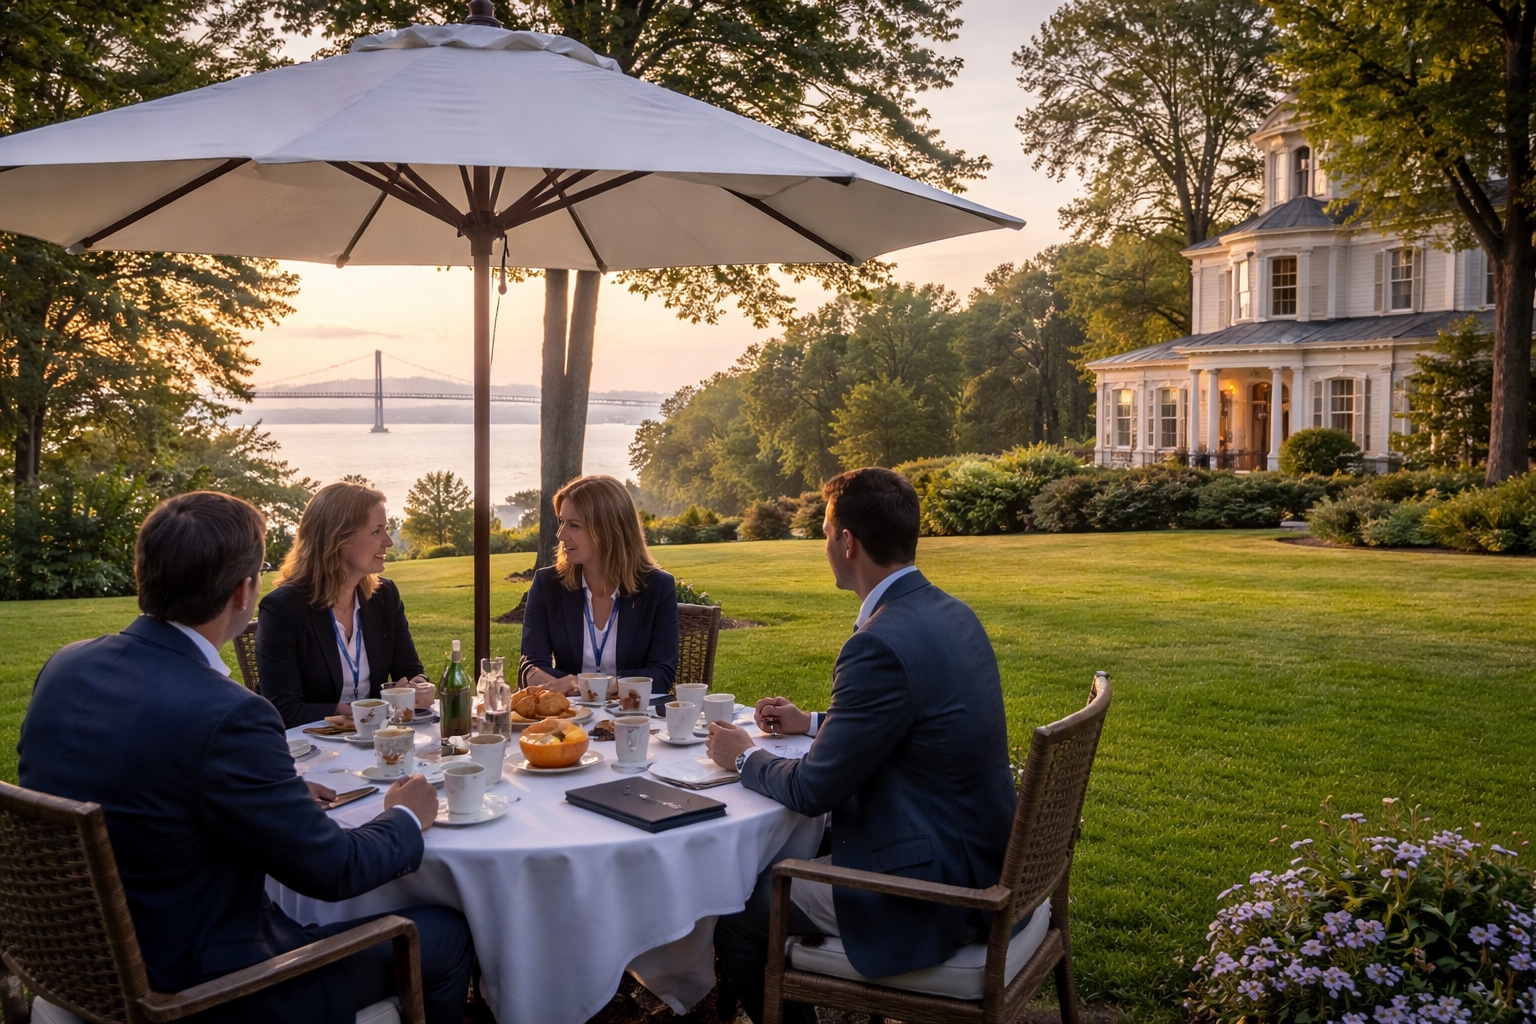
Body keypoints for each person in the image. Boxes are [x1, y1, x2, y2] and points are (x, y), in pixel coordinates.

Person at [17, 491, 474, 1024]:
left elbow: (150, 779)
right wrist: (406, 817)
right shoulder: (229, 714)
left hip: (81, 967)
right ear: (243, 591)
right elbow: (335, 870)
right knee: (445, 935)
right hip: (203, 990)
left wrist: (271, 792)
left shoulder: (65, 666)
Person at [705, 468, 1017, 1024]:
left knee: (736, 909)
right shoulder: (951, 612)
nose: (825, 546)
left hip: (937, 891)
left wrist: (744, 756)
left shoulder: (878, 642)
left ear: (847, 541)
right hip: (980, 854)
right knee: (777, 860)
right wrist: (813, 722)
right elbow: (917, 720)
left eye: (826, 533)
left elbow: (813, 789)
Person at [257, 481, 436, 729]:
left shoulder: (384, 597)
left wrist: (419, 686)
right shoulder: (283, 609)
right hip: (311, 744)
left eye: (386, 529)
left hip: (377, 738)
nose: (388, 541)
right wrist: (357, 711)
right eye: (376, 531)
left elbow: (409, 669)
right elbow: (282, 709)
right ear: (338, 538)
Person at [519, 475, 678, 705]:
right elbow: (531, 663)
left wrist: (589, 684)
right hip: (569, 716)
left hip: (633, 717)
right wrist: (541, 679)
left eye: (574, 525)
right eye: (561, 521)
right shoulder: (547, 584)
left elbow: (662, 675)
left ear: (609, 530)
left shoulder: (657, 588)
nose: (561, 534)